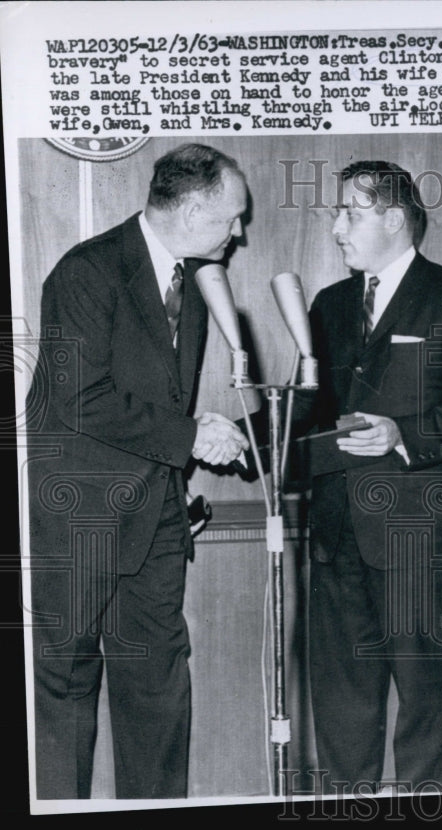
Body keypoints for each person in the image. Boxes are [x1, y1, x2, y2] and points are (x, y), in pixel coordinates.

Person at [26, 143, 251, 799]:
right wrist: (190, 435)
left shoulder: (197, 282)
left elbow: (154, 400)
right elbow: (79, 397)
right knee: (66, 685)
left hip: (154, 517)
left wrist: (198, 436)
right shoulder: (87, 272)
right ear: (195, 207)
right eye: (232, 217)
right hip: (81, 519)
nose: (239, 232)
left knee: (156, 684)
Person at [292, 160, 442, 792]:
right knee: (340, 694)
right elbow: (309, 411)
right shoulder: (329, 304)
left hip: (419, 533)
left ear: (394, 219)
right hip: (335, 534)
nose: (337, 228)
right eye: (337, 214)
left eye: (351, 215)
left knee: (421, 694)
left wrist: (403, 434)